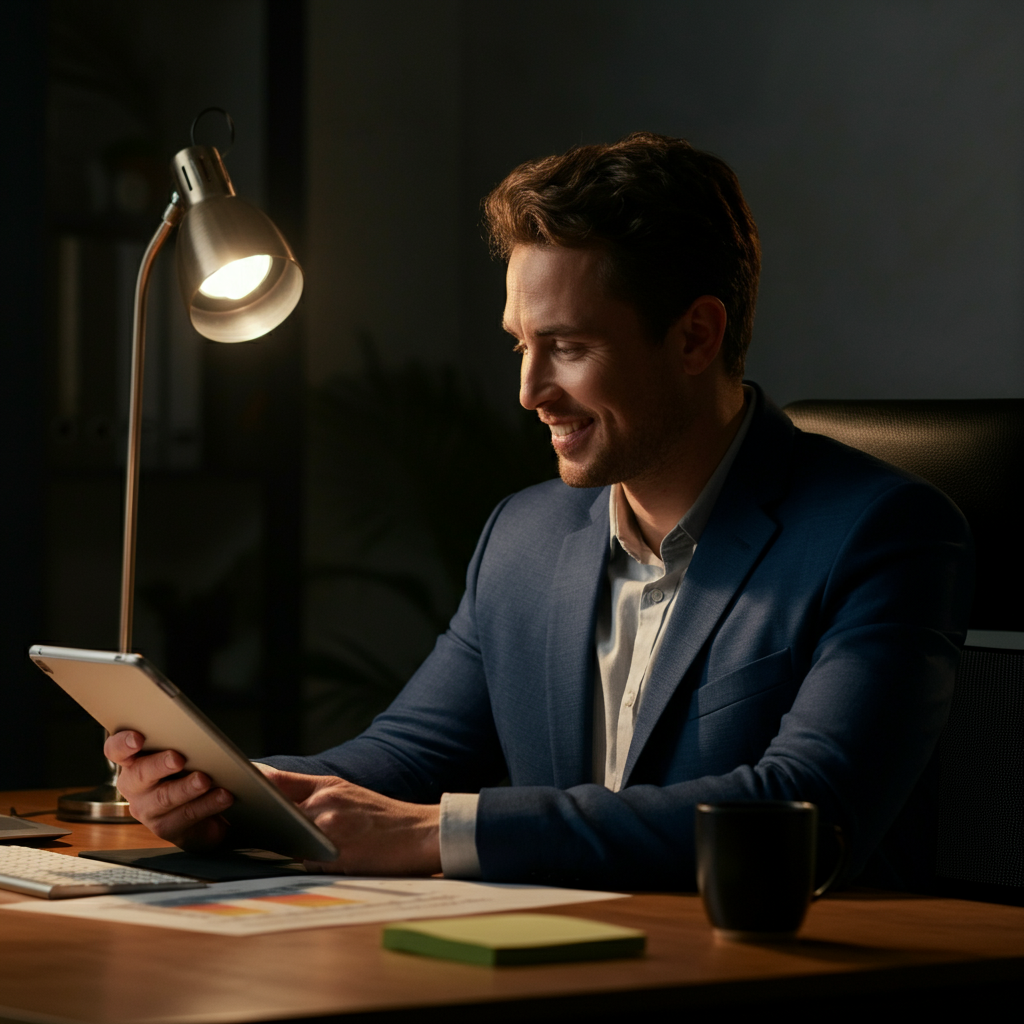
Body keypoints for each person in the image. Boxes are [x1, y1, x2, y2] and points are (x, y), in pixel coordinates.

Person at [106, 132, 973, 891]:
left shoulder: (882, 534)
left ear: (696, 337)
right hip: (553, 964)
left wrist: (437, 834)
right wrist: (228, 791)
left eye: (568, 346)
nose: (529, 391)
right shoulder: (524, 535)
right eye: (523, 345)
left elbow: (803, 810)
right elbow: (406, 758)